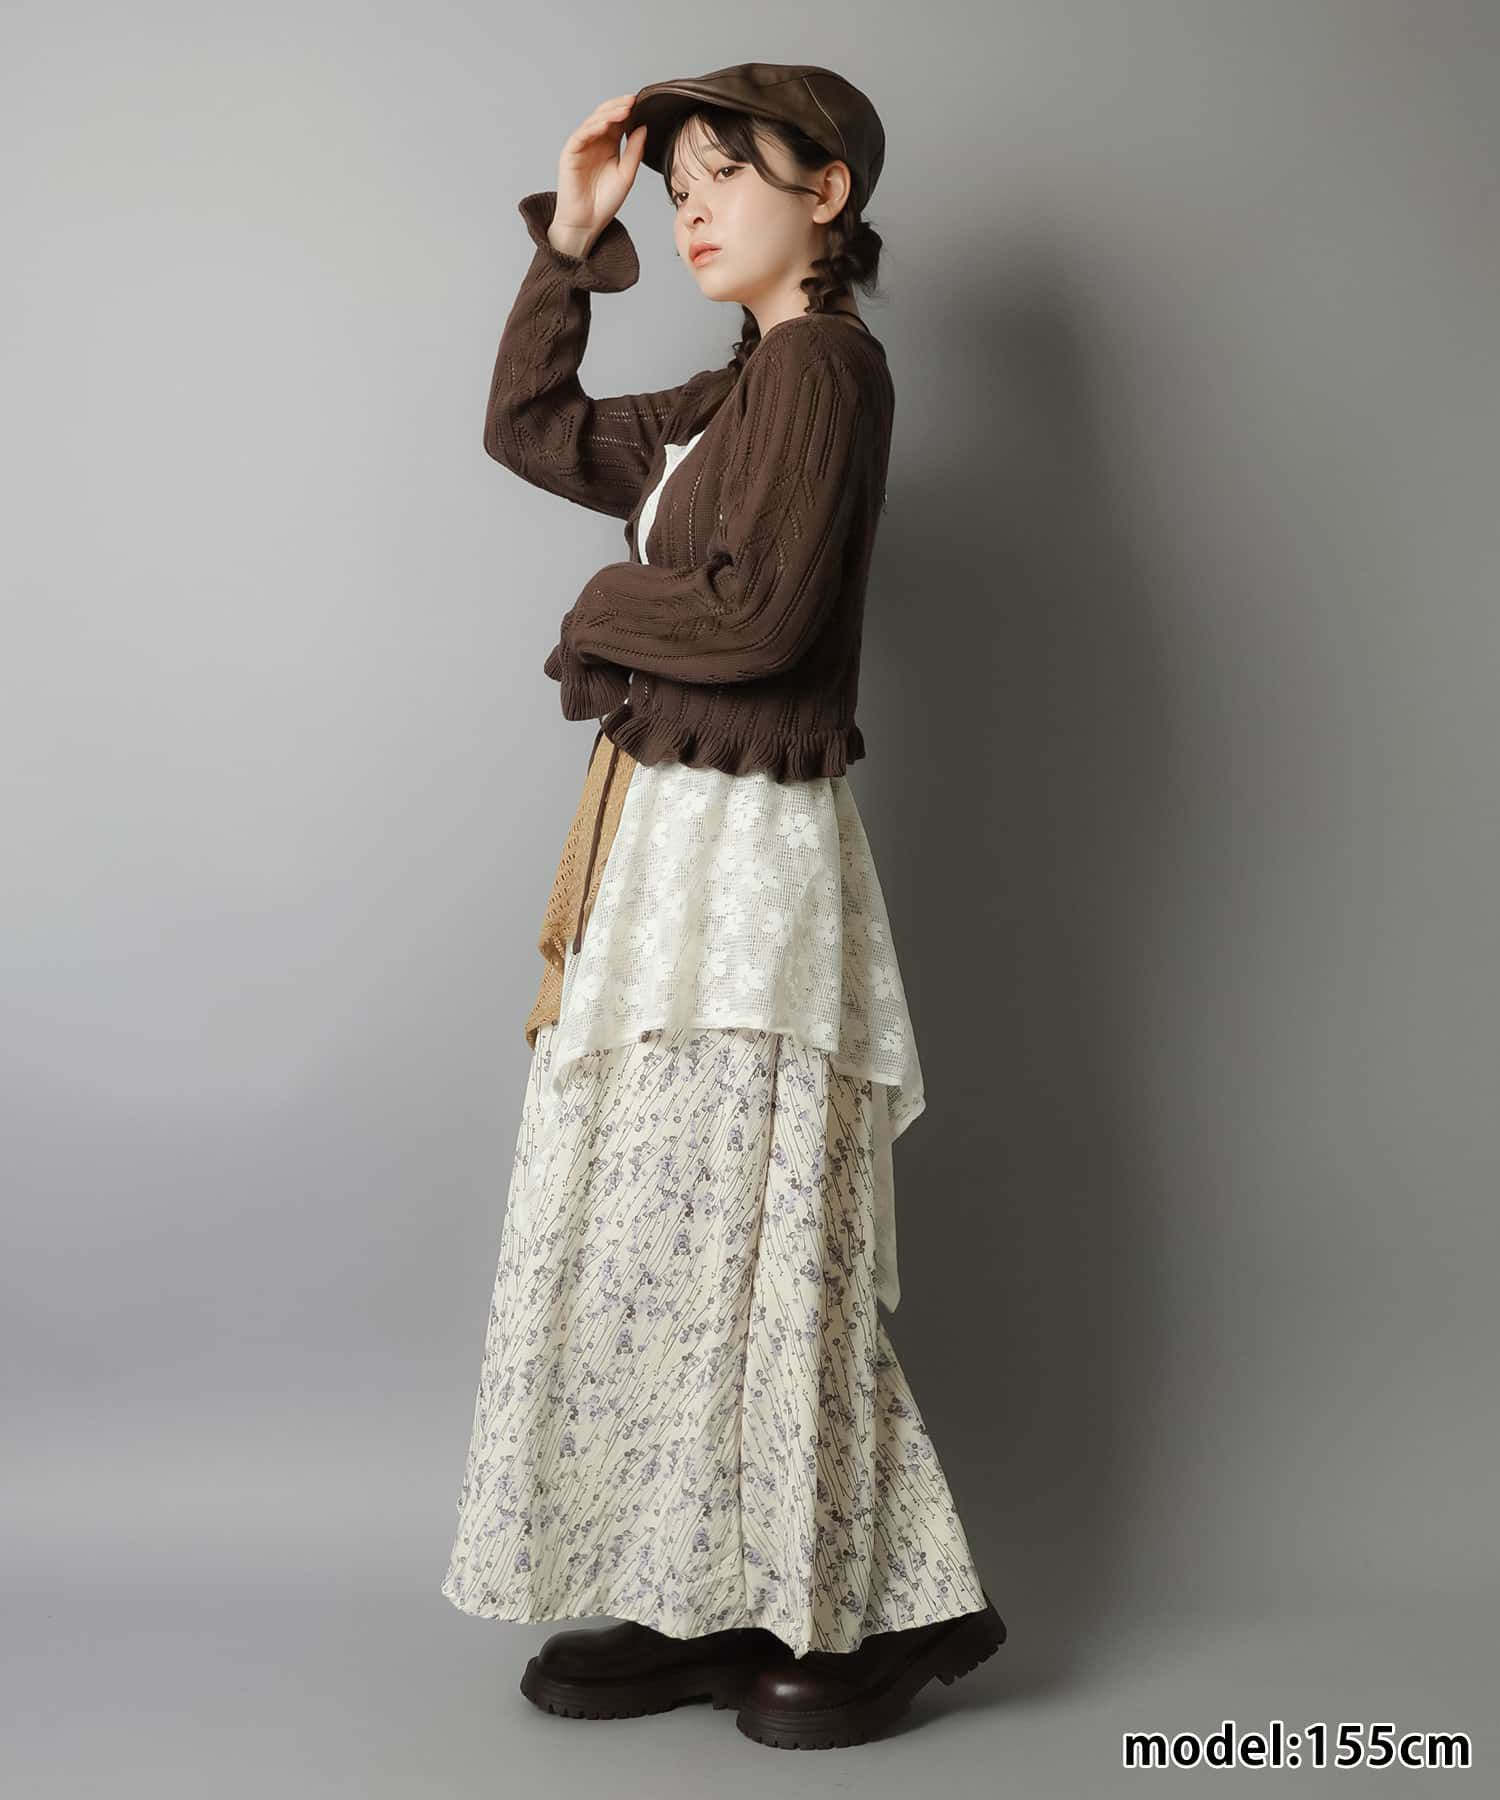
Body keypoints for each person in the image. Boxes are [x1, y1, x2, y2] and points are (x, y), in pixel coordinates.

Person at [440, 63, 1007, 1752]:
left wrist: (598, 609)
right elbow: (531, 429)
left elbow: (759, 625)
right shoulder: (731, 395)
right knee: (671, 1233)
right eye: (676, 181)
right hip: (671, 848)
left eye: (723, 174)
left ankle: (877, 1602)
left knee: (755, 1234)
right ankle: (711, 1583)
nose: (690, 205)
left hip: (747, 863)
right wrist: (574, 238)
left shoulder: (827, 369)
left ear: (826, 194)